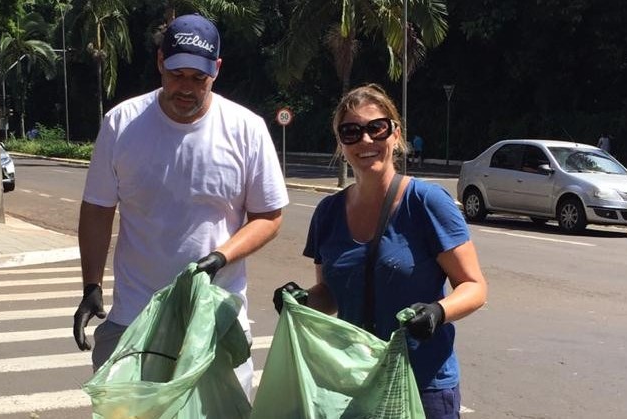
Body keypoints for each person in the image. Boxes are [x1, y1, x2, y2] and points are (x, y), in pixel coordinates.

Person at [72, 13, 289, 399]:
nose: (186, 88)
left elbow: (269, 216)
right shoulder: (121, 123)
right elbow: (97, 209)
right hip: (134, 319)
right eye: (177, 74)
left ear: (217, 71)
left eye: (198, 78)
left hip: (214, 318)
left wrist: (221, 257)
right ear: (159, 62)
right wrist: (90, 285)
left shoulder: (246, 128)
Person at [273, 84, 487, 419]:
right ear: (340, 143)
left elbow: (474, 287)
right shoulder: (328, 212)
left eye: (377, 128)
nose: (366, 141)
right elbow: (330, 294)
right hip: (356, 381)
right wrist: (301, 300)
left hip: (424, 384)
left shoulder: (427, 203)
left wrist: (437, 312)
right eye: (351, 132)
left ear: (396, 134)